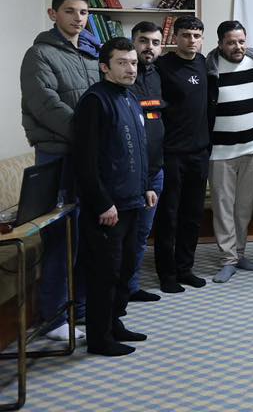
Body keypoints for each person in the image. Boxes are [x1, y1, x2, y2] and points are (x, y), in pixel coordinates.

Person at [20, 0, 99, 341]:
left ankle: (79, 307)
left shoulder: (91, 53)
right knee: (61, 238)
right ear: (53, 14)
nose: (78, 18)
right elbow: (47, 106)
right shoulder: (39, 54)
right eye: (70, 11)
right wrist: (90, 135)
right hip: (58, 155)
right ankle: (53, 318)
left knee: (87, 233)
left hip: (88, 155)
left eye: (83, 12)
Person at [73, 37, 152, 356]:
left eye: (133, 62)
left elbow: (139, 149)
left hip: (133, 200)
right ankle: (99, 338)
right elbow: (85, 160)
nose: (131, 68)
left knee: (125, 268)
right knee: (105, 273)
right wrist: (102, 203)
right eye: (122, 63)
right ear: (105, 67)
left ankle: (114, 322)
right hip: (108, 207)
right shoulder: (95, 101)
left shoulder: (130, 97)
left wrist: (146, 186)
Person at [206, 21, 253, 283]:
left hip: (252, 150)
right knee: (223, 209)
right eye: (231, 42)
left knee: (243, 208)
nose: (237, 47)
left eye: (241, 41)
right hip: (220, 153)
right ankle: (228, 259)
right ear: (220, 43)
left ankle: (239, 253)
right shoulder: (209, 68)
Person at [154, 16, 210, 293]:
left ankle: (185, 268)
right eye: (186, 35)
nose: (191, 40)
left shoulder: (204, 63)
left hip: (199, 153)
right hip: (172, 153)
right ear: (174, 37)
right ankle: (167, 274)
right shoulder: (161, 66)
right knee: (169, 216)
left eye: (196, 36)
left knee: (192, 214)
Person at [127, 21, 166, 303]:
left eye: (155, 43)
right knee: (123, 235)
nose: (148, 47)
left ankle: (131, 287)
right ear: (133, 42)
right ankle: (116, 290)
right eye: (143, 41)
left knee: (142, 233)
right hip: (128, 171)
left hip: (155, 169)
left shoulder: (158, 75)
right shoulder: (123, 75)